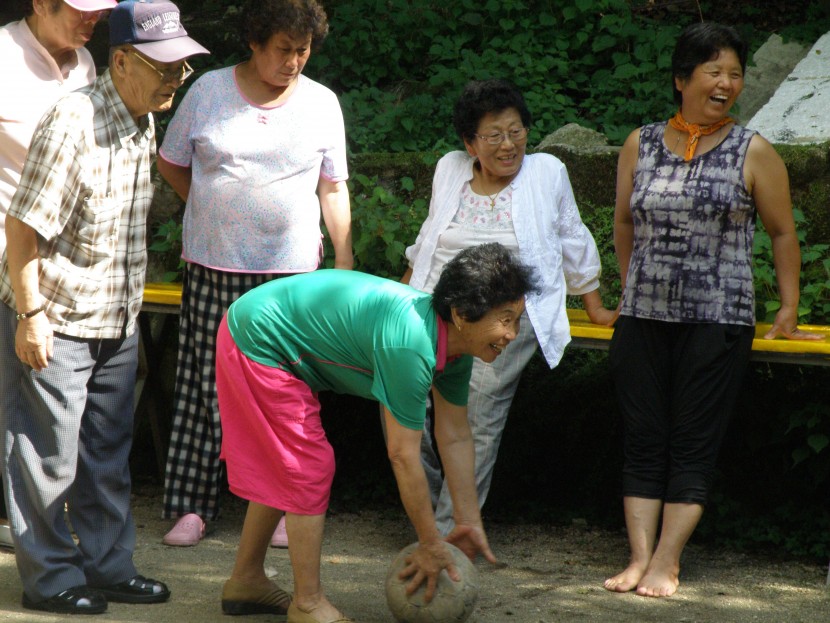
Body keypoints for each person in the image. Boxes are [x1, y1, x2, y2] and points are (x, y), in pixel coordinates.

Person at [0, 0, 208, 614]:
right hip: (58, 317)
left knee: (107, 455)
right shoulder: (72, 123)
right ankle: (51, 578)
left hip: (116, 317)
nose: (175, 82)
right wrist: (31, 315)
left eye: (181, 70)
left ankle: (108, 566)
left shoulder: (143, 118)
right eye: (165, 69)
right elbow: (22, 228)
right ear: (120, 62)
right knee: (47, 456)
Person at [603, 22, 822, 598]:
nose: (726, 83)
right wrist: (631, 288)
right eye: (713, 71)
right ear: (681, 80)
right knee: (643, 436)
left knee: (693, 440)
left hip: (718, 319)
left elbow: (782, 234)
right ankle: (639, 557)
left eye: (734, 73)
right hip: (643, 317)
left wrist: (787, 308)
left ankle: (667, 562)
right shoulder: (640, 143)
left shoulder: (755, 150)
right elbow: (624, 222)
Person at [216, 243, 532, 622]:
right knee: (307, 467)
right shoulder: (411, 344)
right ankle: (308, 604)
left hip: (273, 332)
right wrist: (430, 542)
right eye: (505, 319)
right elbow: (402, 455)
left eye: (517, 320)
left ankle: (246, 582)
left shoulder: (456, 349)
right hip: (259, 337)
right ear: (462, 314)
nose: (512, 334)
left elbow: (455, 435)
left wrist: (467, 519)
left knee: (287, 468)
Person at [157, 0, 352, 549]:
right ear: (255, 43)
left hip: (291, 272)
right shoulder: (209, 91)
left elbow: (332, 186)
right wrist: (209, 206)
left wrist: (344, 255)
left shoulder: (321, 103)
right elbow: (171, 160)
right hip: (214, 263)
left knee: (290, 389)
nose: (294, 61)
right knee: (203, 382)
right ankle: (191, 505)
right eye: (283, 49)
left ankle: (288, 505)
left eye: (303, 50)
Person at [404, 79, 615, 535]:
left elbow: (572, 236)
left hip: (506, 317)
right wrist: (401, 298)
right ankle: (429, 520)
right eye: (494, 135)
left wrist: (594, 306)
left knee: (476, 412)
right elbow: (427, 241)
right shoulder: (449, 169)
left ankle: (451, 533)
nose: (508, 145)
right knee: (404, 409)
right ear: (469, 143)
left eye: (516, 132)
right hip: (435, 311)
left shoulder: (546, 171)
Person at [0, 0, 117, 551]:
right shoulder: (3, 55)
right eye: (81, 9)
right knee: (22, 407)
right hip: (10, 255)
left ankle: (32, 529)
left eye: (100, 11)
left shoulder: (85, 62)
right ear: (41, 4)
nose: (92, 19)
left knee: (35, 410)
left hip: (64, 266)